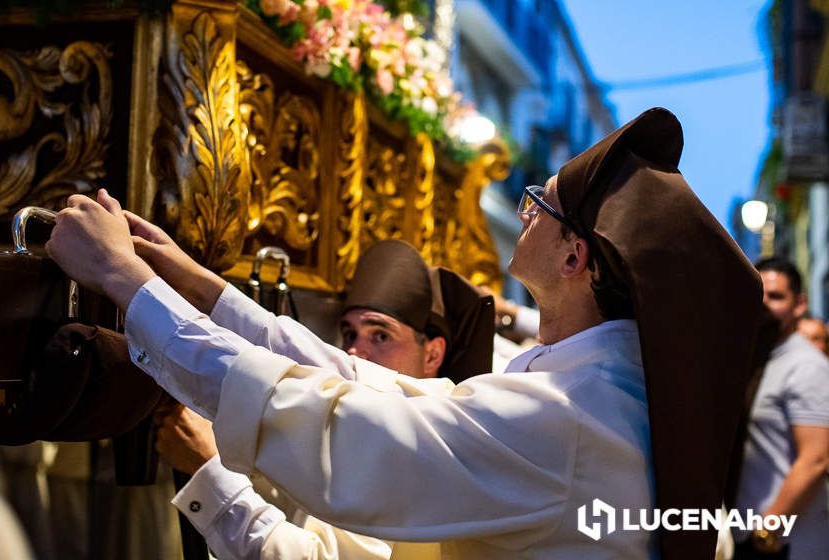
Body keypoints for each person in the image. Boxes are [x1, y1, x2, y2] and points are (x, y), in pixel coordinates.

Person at [45, 108, 764, 559]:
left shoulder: (572, 417)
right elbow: (380, 389)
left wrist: (124, 282)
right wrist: (199, 284)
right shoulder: (590, 387)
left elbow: (351, 428)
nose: (524, 213)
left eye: (539, 203)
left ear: (576, 257)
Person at [155, 239, 495, 559]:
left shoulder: (416, 452)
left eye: (380, 335)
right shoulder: (344, 425)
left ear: (433, 355)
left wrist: (208, 471)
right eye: (349, 334)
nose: (354, 351)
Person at [733, 257, 829, 559]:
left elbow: (816, 459)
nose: (763, 303)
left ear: (799, 304)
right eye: (756, 293)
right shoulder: (763, 358)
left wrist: (766, 532)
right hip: (750, 535)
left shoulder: (806, 365)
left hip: (784, 545)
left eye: (775, 296)